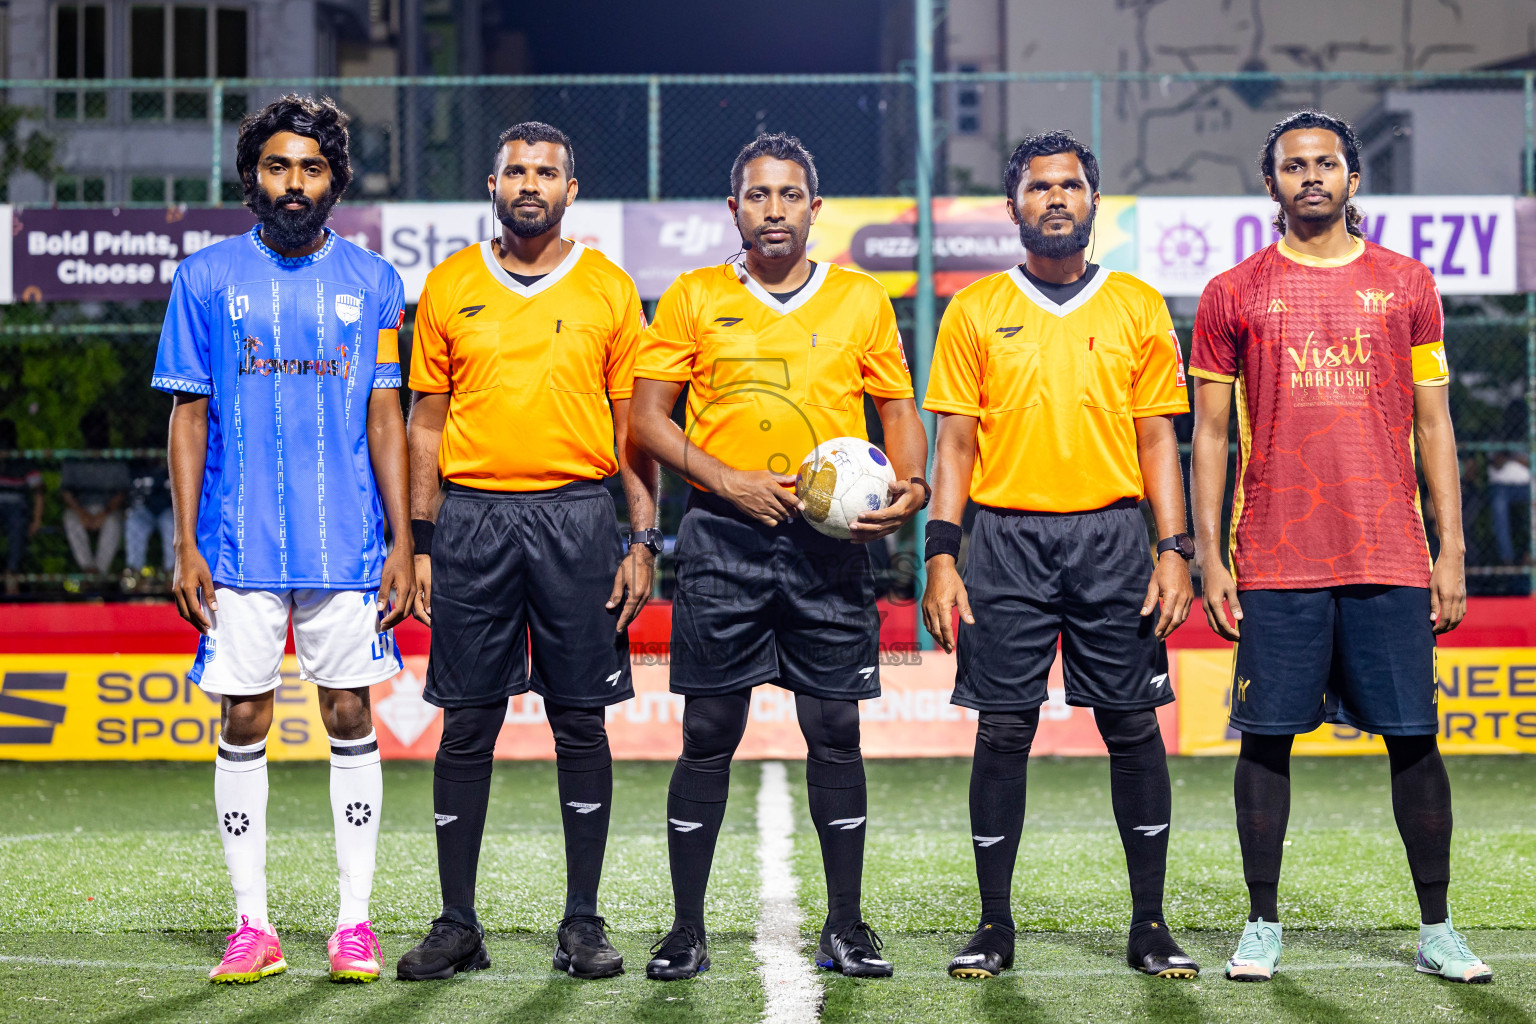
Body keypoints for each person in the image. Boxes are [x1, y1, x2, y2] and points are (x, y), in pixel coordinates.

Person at [1189, 110, 1489, 984]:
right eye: (1293, 165)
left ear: (1354, 179)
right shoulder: (1231, 293)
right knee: (1266, 741)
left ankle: (1437, 927)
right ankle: (1261, 923)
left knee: (1414, 739)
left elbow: (1436, 426)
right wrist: (1210, 553)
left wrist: (1452, 549)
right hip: (1276, 554)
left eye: (1327, 163)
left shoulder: (1408, 285)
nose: (1310, 176)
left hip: (1390, 550)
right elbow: (1208, 436)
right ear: (1271, 182)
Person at [630, 132, 928, 981]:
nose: (773, 209)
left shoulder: (861, 301)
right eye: (758, 195)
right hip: (724, 540)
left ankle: (846, 925)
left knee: (835, 728)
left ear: (814, 208)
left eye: (790, 194)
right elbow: (648, 421)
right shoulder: (692, 296)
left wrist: (911, 481)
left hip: (828, 549)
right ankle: (686, 928)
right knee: (709, 729)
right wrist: (725, 479)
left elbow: (896, 409)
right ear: (734, 209)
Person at [922, 130, 1199, 981]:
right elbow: (956, 447)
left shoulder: (1138, 304)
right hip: (1004, 540)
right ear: (1012, 207)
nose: (1054, 198)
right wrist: (940, 554)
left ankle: (1149, 924)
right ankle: (993, 926)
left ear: (1093, 201)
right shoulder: (973, 310)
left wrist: (1175, 548)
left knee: (1129, 727)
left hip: (1115, 537)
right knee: (1004, 729)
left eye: (1070, 186)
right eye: (1038, 187)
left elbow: (1160, 440)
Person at [154, 94, 413, 985]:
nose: (293, 182)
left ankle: (354, 924)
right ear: (252, 177)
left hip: (348, 543)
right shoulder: (204, 278)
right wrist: (186, 543)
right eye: (276, 166)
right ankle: (252, 924)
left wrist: (402, 541)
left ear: (336, 178)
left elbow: (387, 412)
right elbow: (189, 415)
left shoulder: (376, 283)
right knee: (244, 718)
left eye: (309, 167)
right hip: (236, 548)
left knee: (350, 714)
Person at [395, 122, 658, 983]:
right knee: (467, 722)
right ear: (492, 183)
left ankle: (582, 922)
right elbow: (424, 426)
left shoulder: (610, 290)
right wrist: (422, 544)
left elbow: (634, 432)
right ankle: (458, 923)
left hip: (579, 519)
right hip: (472, 523)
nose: (531, 183)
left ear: (571, 190)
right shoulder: (449, 284)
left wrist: (641, 536)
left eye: (548, 171)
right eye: (516, 170)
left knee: (580, 721)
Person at [61, 412, 128, 574]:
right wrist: (81, 512)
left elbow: (122, 493)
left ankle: (99, 573)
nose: (95, 434)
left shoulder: (115, 460)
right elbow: (66, 492)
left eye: (99, 430)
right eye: (91, 430)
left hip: (108, 510)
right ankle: (88, 569)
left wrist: (104, 514)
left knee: (113, 522)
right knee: (69, 518)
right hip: (82, 509)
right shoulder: (75, 459)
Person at [0, 420, 43, 585]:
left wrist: (37, 519)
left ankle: (12, 572)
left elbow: (38, 490)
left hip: (16, 506)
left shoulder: (22, 460)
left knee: (18, 525)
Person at [125, 460, 175, 577]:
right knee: (133, 521)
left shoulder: (175, 459)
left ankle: (172, 574)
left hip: (168, 509)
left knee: (171, 525)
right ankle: (134, 574)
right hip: (143, 509)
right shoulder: (136, 465)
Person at [1488, 451, 1530, 565]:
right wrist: (1517, 457)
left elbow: (1531, 462)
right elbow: (1498, 462)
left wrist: (1510, 455)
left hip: (1528, 486)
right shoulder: (1496, 437)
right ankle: (1507, 559)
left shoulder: (1526, 438)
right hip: (1501, 487)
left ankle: (1530, 553)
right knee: (1499, 503)